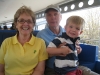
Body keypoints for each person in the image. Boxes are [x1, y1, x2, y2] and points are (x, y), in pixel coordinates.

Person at [36, 4, 99, 75]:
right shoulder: (40, 35)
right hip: (54, 69)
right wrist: (58, 51)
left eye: (55, 14)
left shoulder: (69, 31)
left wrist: (77, 49)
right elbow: (37, 57)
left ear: (60, 16)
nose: (52, 17)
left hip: (74, 67)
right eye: (49, 15)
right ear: (46, 18)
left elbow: (75, 46)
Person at [0, 6, 48, 75]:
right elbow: (1, 71)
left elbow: (39, 71)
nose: (25, 24)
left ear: (33, 25)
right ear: (16, 24)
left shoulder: (40, 43)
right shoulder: (6, 42)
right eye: (21, 20)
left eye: (29, 21)